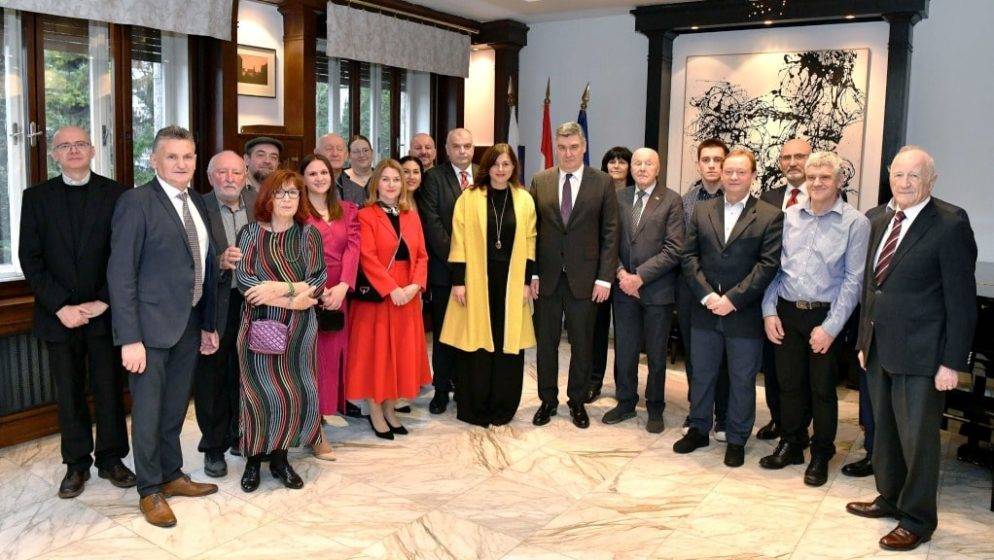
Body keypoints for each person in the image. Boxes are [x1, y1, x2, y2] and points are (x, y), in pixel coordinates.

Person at [847, 147, 977, 552]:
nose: (904, 183)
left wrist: (952, 362)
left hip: (923, 356)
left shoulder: (950, 223)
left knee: (918, 441)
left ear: (931, 180)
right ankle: (890, 497)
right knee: (884, 431)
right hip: (879, 349)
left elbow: (961, 301)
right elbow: (871, 288)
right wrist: (864, 340)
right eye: (898, 175)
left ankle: (918, 519)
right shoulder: (878, 218)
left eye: (914, 176)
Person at [108, 125, 220, 528]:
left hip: (188, 324)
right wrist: (130, 338)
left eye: (187, 156)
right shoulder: (136, 202)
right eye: (171, 156)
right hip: (148, 331)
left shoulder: (198, 202)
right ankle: (150, 489)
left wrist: (207, 323)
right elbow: (121, 273)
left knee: (174, 408)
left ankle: (172, 474)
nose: (181, 163)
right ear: (154, 160)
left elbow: (204, 265)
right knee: (149, 412)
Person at [19, 126, 134, 499]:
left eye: (80, 144)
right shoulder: (36, 197)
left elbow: (124, 254)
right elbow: (30, 259)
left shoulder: (118, 194)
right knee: (68, 394)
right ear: (53, 154)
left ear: (93, 150)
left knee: (109, 390)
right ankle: (76, 464)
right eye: (64, 146)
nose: (73, 150)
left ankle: (112, 459)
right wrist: (60, 307)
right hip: (58, 317)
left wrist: (104, 300)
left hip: (104, 313)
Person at [759, 151, 870, 486]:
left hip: (826, 316)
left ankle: (821, 452)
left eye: (825, 177)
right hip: (786, 311)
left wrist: (831, 328)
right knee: (789, 384)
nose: (817, 183)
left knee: (822, 390)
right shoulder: (789, 216)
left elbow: (854, 281)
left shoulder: (855, 223)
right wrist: (768, 311)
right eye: (812, 177)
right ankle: (792, 443)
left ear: (839, 181)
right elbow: (773, 268)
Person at [674, 148, 782, 468]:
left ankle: (736, 438)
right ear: (721, 174)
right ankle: (699, 429)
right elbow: (688, 256)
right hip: (704, 310)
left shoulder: (769, 215)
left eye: (741, 172)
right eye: (729, 171)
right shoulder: (702, 210)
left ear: (753, 176)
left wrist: (733, 299)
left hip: (743, 314)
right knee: (702, 374)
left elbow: (767, 265)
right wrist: (707, 296)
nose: (734, 177)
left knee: (742, 379)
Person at [235, 169, 327, 492]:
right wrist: (293, 298)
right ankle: (252, 461)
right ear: (268, 197)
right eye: (280, 192)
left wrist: (277, 288)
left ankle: (280, 459)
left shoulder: (308, 234)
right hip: (259, 326)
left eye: (293, 193)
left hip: (300, 331)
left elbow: (317, 280)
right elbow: (246, 282)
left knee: (292, 392)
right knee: (258, 393)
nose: (287, 199)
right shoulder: (249, 234)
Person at [440, 143, 537, 427]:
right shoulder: (469, 198)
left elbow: (530, 241)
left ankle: (503, 405)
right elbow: (458, 240)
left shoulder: (524, 199)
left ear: (514, 167)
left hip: (511, 280)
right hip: (475, 280)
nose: (500, 169)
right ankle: (475, 406)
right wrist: (458, 281)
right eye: (495, 164)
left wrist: (526, 282)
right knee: (477, 341)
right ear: (486, 167)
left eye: (506, 164)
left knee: (508, 343)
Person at [530, 121, 619, 429]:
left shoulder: (602, 182)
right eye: (562, 147)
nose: (567, 153)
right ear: (556, 148)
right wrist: (533, 273)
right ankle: (547, 400)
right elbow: (532, 231)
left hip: (586, 279)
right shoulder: (540, 180)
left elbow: (610, 233)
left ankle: (577, 401)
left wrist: (605, 278)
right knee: (546, 344)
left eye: (573, 147)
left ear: (584, 147)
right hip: (548, 278)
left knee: (582, 344)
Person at [346, 159, 431, 438]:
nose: (391, 184)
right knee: (377, 355)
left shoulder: (411, 216)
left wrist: (415, 285)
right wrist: (391, 288)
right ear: (376, 184)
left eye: (396, 179)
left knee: (401, 355)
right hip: (380, 295)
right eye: (386, 179)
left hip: (408, 294)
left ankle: (391, 408)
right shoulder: (366, 215)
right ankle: (375, 410)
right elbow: (367, 257)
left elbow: (422, 255)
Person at [604, 148, 684, 433]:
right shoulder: (619, 197)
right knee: (624, 350)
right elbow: (608, 240)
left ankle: (655, 407)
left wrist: (639, 277)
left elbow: (674, 248)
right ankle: (625, 401)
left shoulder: (672, 200)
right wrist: (621, 274)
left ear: (657, 168)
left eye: (648, 163)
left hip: (656, 291)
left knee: (656, 355)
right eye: (637, 163)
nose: (641, 168)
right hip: (623, 288)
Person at [195, 150, 257, 478]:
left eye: (236, 172)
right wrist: (218, 261)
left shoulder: (259, 203)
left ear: (245, 175)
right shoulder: (197, 207)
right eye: (222, 172)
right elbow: (187, 256)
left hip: (254, 302)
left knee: (246, 372)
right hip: (215, 303)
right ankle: (213, 445)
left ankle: (239, 434)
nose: (230, 178)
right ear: (210, 177)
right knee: (212, 377)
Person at [301, 154, 360, 461]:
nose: (319, 178)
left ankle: (321, 417)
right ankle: (313, 430)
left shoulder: (347, 209)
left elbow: (353, 247)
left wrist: (344, 285)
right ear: (303, 178)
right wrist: (317, 288)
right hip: (308, 294)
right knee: (310, 361)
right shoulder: (297, 212)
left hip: (339, 293)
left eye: (323, 172)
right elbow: (294, 251)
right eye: (312, 173)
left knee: (331, 360)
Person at [755, 137, 813, 441]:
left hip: (804, 297)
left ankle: (799, 426)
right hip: (770, 295)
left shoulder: (822, 194)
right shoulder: (768, 197)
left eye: (799, 156)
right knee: (773, 365)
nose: (792, 163)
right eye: (786, 157)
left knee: (801, 372)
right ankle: (778, 419)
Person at [417, 128, 477, 414]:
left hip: (481, 273)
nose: (462, 151)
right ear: (447, 149)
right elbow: (433, 225)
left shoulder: (486, 174)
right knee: (445, 333)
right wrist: (459, 262)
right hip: (445, 271)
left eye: (467, 145)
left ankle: (466, 386)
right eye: (456, 146)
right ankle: (441, 389)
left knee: (473, 332)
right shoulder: (434, 178)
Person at [677, 139, 731, 440]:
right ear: (698, 164)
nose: (712, 165)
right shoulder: (685, 201)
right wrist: (700, 286)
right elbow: (683, 250)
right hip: (692, 288)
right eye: (706, 160)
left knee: (724, 356)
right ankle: (697, 411)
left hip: (728, 291)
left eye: (717, 160)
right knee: (695, 355)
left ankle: (723, 414)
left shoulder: (737, 199)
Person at [585, 146, 635, 404]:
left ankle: (622, 385)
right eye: (611, 161)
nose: (616, 165)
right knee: (598, 330)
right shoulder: (597, 193)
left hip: (629, 275)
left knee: (625, 334)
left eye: (622, 161)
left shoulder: (636, 195)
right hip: (602, 272)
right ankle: (594, 381)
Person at [316, 132, 366, 206]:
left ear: (346, 155)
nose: (335, 154)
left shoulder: (358, 191)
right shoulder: (304, 187)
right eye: (329, 149)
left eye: (339, 149)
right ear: (317, 153)